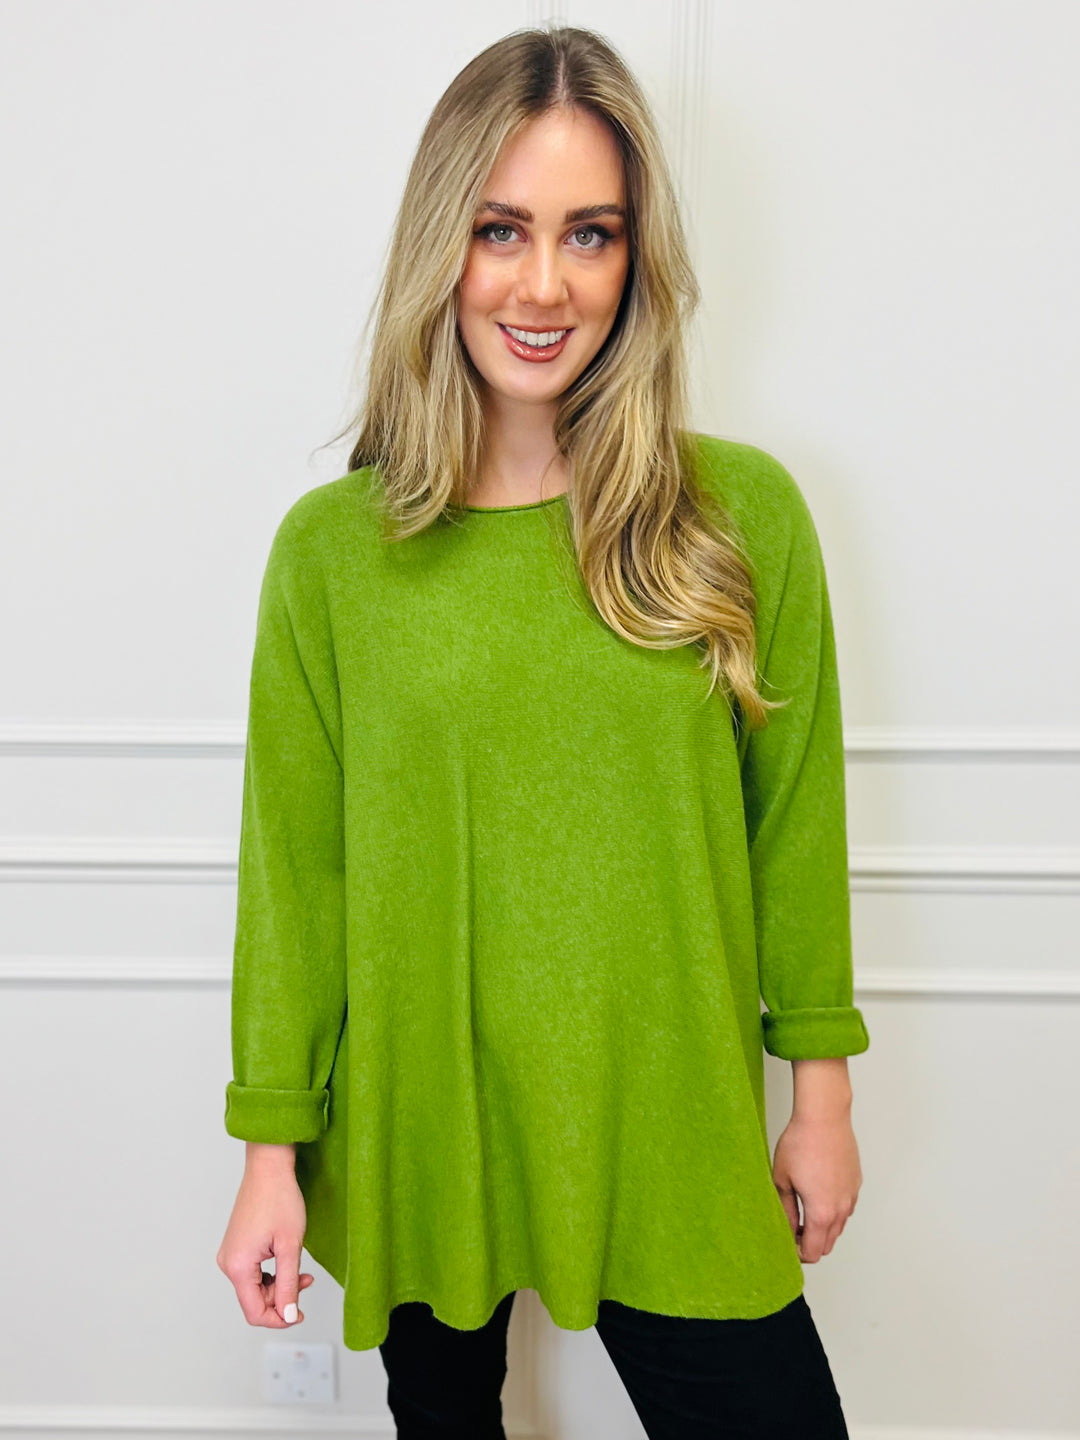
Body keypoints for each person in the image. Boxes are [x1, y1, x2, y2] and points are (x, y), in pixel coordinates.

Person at [216, 22, 870, 1439]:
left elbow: (794, 826)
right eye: (501, 229)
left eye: (591, 234)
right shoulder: (334, 556)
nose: (543, 284)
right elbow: (296, 880)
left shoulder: (739, 520)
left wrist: (820, 1096)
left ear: (636, 262)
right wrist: (270, 1149)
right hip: (424, 1121)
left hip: (671, 1122)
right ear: (441, 246)